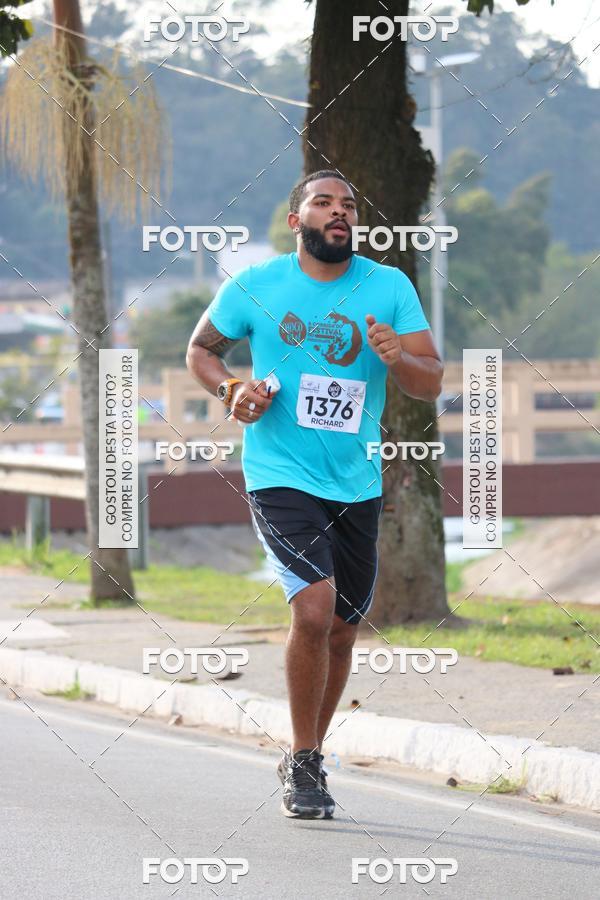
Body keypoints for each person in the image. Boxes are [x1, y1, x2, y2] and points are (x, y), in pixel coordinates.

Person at [186, 170, 443, 819]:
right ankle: (304, 762)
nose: (339, 212)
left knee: (344, 631)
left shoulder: (389, 288)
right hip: (280, 472)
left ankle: (310, 754)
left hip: (355, 480)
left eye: (348, 205)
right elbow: (201, 350)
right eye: (323, 203)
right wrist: (231, 392)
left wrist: (398, 360)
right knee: (313, 610)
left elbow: (429, 381)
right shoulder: (259, 284)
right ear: (296, 218)